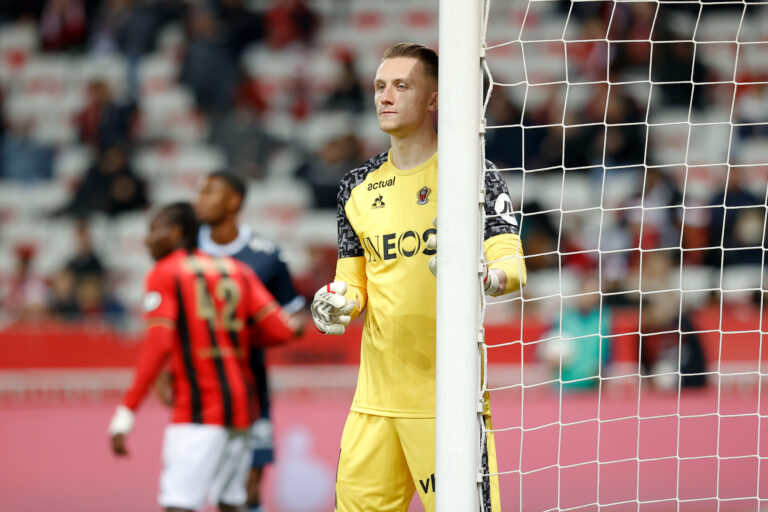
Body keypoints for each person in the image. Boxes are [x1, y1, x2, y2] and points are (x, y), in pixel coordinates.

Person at [309, 43, 527, 512]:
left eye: (401, 86)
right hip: (373, 405)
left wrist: (481, 277)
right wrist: (335, 302)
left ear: (434, 99)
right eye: (380, 87)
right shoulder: (356, 186)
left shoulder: (474, 175)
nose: (385, 97)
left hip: (447, 404)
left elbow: (512, 266)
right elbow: (353, 282)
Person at [107, 202, 301, 512]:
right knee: (231, 504)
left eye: (152, 230)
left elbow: (157, 346)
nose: (146, 240)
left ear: (174, 233)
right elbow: (283, 330)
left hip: (198, 410)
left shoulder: (166, 273)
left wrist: (126, 412)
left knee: (180, 505)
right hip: (241, 408)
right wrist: (231, 337)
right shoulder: (237, 270)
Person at [196, 171, 306, 512]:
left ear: (235, 201)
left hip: (250, 386)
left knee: (249, 487)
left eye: (211, 192)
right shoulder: (185, 251)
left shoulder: (266, 255)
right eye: (201, 191)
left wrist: (260, 333)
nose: (200, 198)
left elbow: (296, 317)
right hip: (199, 388)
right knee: (209, 486)